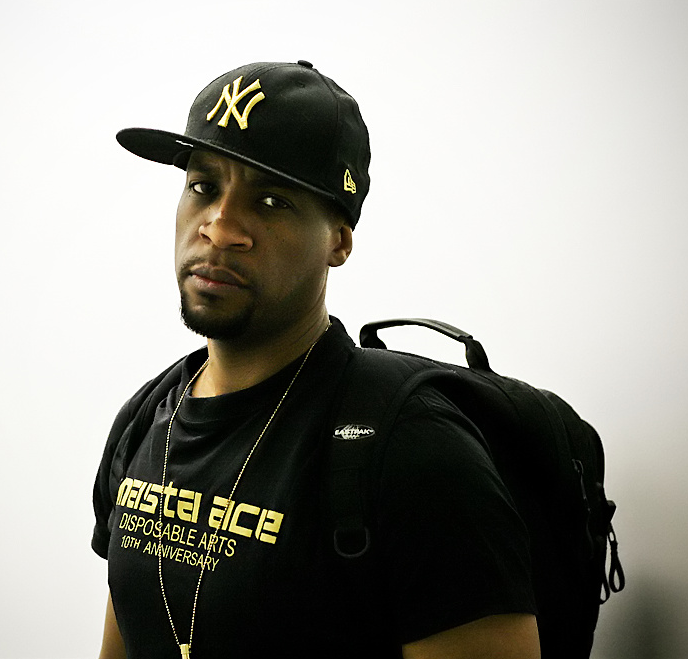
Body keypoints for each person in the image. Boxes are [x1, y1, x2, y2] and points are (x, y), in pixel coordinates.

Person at [92, 60, 540, 659]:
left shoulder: (414, 449)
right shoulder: (147, 420)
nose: (220, 228)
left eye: (271, 200)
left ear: (339, 240)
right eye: (203, 187)